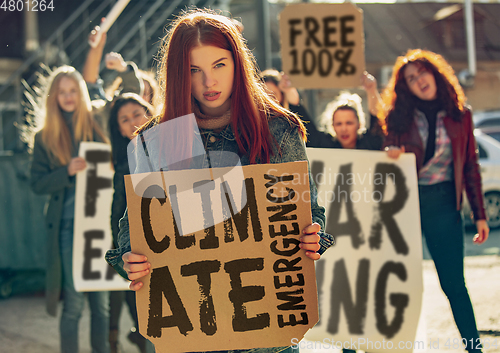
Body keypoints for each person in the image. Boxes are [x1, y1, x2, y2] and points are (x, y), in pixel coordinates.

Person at [105, 9, 335, 353]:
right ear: (179, 74)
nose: (208, 82)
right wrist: (130, 259)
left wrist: (311, 236)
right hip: (190, 332)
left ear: (237, 63)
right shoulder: (153, 140)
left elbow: (309, 212)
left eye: (219, 65)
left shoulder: (278, 130)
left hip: (268, 335)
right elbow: (133, 229)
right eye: (194, 70)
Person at [381, 49, 489, 353]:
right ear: (406, 87)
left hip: (444, 205)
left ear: (435, 74)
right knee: (400, 282)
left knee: (453, 284)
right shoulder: (399, 116)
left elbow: (470, 165)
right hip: (405, 207)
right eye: (411, 79)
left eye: (422, 73)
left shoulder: (460, 115)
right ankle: (395, 346)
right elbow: (383, 155)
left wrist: (479, 214)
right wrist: (390, 151)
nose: (419, 81)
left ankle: (474, 347)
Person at [29, 65, 110, 353]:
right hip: (66, 226)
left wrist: (121, 69)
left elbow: (129, 98)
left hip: (100, 222)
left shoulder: (97, 120)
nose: (67, 96)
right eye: (61, 91)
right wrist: (67, 171)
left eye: (73, 90)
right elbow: (36, 184)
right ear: (54, 96)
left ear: (81, 92)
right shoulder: (44, 137)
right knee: (74, 302)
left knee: (101, 305)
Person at [107, 93, 153, 353]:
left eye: (137, 113)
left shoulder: (172, 148)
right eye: (124, 120)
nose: (132, 122)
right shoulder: (122, 163)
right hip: (137, 247)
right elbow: (119, 212)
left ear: (149, 111)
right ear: (119, 129)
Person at [260, 68, 332, 148]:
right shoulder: (252, 122)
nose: (269, 100)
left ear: (282, 96)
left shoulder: (288, 123)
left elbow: (312, 140)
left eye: (273, 95)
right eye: (264, 95)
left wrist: (292, 98)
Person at [318, 72, 384, 151]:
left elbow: (377, 119)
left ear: (359, 124)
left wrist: (371, 90)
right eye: (339, 124)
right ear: (332, 126)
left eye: (349, 123)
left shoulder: (369, 143)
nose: (344, 129)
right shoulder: (324, 145)